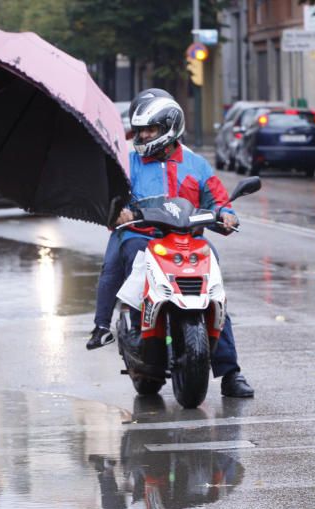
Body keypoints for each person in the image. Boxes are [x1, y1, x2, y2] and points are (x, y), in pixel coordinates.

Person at [87, 89, 254, 399]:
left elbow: (217, 199)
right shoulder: (128, 161)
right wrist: (118, 210)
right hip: (142, 235)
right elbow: (112, 196)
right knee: (130, 253)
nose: (143, 135)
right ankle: (111, 326)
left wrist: (227, 215)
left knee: (213, 283)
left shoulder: (196, 164)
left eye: (150, 129)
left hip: (186, 240)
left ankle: (231, 373)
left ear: (169, 127)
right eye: (139, 130)